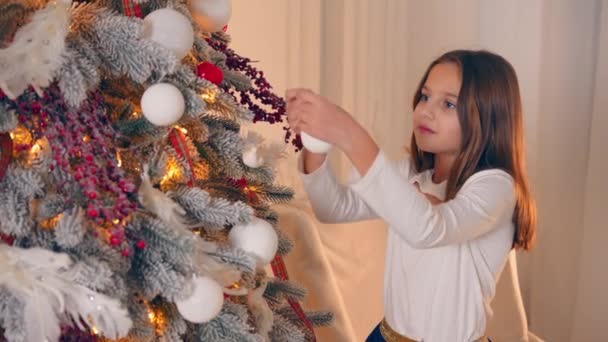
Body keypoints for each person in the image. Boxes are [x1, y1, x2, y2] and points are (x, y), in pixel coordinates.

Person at [285, 50, 537, 342]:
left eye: (448, 104)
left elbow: (426, 228)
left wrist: (349, 133)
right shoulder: (412, 173)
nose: (426, 111)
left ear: (488, 117)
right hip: (387, 335)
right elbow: (334, 208)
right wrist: (317, 142)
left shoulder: (497, 187)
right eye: (425, 97)